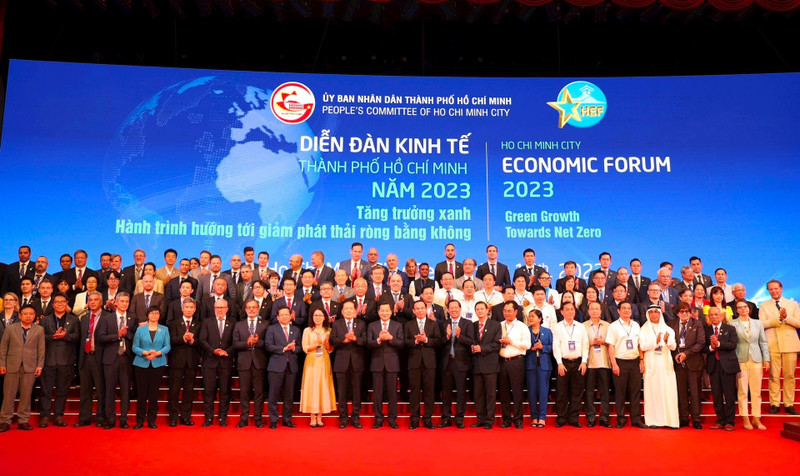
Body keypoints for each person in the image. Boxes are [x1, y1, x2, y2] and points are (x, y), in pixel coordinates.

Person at [0, 305, 44, 432]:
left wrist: (39, 365)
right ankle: (4, 421)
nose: (28, 316)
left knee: (26, 394)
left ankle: (23, 420)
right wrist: (2, 364)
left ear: (34, 315)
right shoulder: (10, 329)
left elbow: (41, 350)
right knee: (8, 395)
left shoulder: (39, 330)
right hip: (11, 366)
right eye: (25, 314)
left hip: (30, 366)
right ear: (20, 315)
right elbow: (3, 348)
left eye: (31, 314)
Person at [95, 292, 136, 429]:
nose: (125, 304)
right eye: (122, 301)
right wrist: (117, 335)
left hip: (126, 358)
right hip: (110, 359)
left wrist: (126, 334)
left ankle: (124, 418)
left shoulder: (132, 318)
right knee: (109, 390)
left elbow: (135, 336)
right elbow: (100, 337)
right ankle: (110, 418)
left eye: (127, 301)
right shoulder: (107, 318)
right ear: (116, 303)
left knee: (125, 390)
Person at [38, 292, 79, 428]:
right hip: (48, 360)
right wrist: (53, 336)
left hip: (66, 361)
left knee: (62, 390)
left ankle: (58, 416)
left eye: (63, 302)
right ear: (53, 304)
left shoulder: (73, 320)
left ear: (67, 304)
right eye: (57, 302)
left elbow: (77, 337)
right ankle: (44, 416)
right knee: (46, 390)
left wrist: (64, 336)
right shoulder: (45, 320)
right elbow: (40, 338)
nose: (60, 304)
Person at [759, 279, 800, 415]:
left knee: (789, 376)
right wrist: (778, 320)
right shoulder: (764, 306)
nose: (774, 291)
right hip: (772, 344)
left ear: (781, 288)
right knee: (773, 376)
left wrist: (787, 318)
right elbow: (762, 324)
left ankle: (789, 404)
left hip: (790, 343)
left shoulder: (793, 304)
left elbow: (798, 323)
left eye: (776, 288)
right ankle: (774, 403)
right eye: (771, 289)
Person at [605, 301, 646, 429]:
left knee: (635, 392)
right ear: (618, 311)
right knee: (620, 393)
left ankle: (636, 419)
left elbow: (640, 344)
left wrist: (641, 360)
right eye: (624, 308)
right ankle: (621, 419)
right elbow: (610, 346)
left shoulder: (636, 325)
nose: (627, 310)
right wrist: (614, 364)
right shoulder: (613, 326)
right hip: (620, 361)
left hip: (634, 361)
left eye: (629, 308)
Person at [731, 301, 770, 430]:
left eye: (745, 307)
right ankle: (745, 418)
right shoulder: (732, 323)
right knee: (742, 391)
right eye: (740, 308)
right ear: (736, 310)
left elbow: (763, 342)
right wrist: (734, 359)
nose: (743, 309)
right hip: (740, 359)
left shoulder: (757, 323)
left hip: (756, 359)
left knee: (756, 391)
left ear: (749, 308)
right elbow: (732, 344)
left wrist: (766, 359)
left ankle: (756, 418)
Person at [405, 299, 442, 429]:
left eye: (422, 308)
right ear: (414, 311)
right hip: (414, 362)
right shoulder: (408, 325)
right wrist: (415, 341)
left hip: (429, 362)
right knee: (414, 391)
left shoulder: (433, 324)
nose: (420, 311)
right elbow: (405, 342)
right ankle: (414, 419)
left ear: (426, 310)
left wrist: (426, 340)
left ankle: (428, 419)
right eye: (417, 309)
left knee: (429, 391)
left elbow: (439, 341)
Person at [668, 301, 706, 429]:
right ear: (677, 313)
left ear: (690, 313)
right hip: (678, 363)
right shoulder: (671, 324)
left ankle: (696, 419)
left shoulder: (697, 324)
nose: (684, 314)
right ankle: (684, 418)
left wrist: (686, 354)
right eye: (682, 311)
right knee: (681, 392)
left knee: (695, 393)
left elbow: (701, 343)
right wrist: (678, 355)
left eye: (687, 311)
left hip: (694, 362)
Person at [640, 305, 679, 428]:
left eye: (656, 312)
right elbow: (642, 346)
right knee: (652, 392)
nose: (654, 315)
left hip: (665, 364)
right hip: (651, 364)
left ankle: (669, 421)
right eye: (651, 312)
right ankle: (653, 421)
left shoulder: (668, 329)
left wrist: (667, 341)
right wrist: (655, 342)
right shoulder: (643, 329)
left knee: (668, 391)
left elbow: (673, 347)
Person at [132, 306, 170, 429]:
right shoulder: (140, 330)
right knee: (141, 394)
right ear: (148, 315)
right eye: (152, 313)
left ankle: (152, 420)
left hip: (157, 363)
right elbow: (134, 347)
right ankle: (140, 420)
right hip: (141, 363)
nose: (154, 315)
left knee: (154, 394)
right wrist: (145, 353)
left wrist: (156, 353)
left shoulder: (164, 330)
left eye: (156, 313)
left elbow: (167, 346)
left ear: (159, 315)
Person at [330, 299, 367, 428]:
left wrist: (355, 339)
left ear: (355, 310)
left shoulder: (361, 324)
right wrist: (343, 341)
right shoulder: (337, 324)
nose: (349, 311)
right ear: (342, 311)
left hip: (357, 362)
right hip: (341, 362)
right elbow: (332, 340)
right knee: (342, 392)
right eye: (346, 309)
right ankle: (343, 417)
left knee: (357, 392)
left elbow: (365, 341)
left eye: (351, 308)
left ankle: (356, 417)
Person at [199, 299, 235, 427]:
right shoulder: (207, 322)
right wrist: (213, 351)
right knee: (209, 391)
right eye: (217, 307)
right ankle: (208, 418)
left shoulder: (232, 323)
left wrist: (226, 352)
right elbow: (202, 340)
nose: (219, 310)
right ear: (214, 309)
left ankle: (222, 417)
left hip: (226, 361)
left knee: (225, 391)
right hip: (210, 361)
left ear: (227, 308)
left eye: (222, 307)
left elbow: (235, 342)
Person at [367, 302, 404, 429]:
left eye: (387, 310)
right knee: (377, 393)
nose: (384, 313)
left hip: (392, 364)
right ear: (378, 312)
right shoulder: (372, 326)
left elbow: (401, 343)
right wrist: (378, 340)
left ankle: (392, 418)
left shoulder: (397, 326)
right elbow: (368, 343)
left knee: (392, 393)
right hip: (377, 363)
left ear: (391, 311)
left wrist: (391, 338)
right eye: (382, 310)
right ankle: (378, 418)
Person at [552, 301, 588, 428]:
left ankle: (574, 419)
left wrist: (584, 361)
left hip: (578, 362)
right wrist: (559, 363)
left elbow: (585, 344)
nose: (570, 312)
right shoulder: (557, 327)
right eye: (567, 309)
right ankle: (561, 418)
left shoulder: (581, 326)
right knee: (561, 392)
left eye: (572, 309)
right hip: (564, 363)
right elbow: (555, 346)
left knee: (577, 392)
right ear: (561, 312)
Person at [233, 299, 269, 428]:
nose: (252, 310)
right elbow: (235, 344)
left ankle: (258, 418)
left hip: (259, 363)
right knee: (244, 392)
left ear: (258, 309)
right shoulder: (239, 325)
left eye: (254, 307)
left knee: (259, 392)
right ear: (245, 310)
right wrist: (247, 343)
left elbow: (268, 344)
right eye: (249, 307)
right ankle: (244, 418)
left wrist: (258, 342)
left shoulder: (265, 324)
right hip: (244, 363)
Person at [439, 299, 475, 429]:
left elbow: (471, 341)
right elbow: (439, 343)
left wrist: (459, 336)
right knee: (446, 393)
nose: (454, 310)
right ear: (448, 310)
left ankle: (459, 418)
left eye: (456, 307)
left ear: (460, 309)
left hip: (461, 363)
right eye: (451, 308)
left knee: (460, 392)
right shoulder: (443, 324)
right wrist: (448, 336)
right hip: (447, 362)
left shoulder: (467, 323)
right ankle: (446, 418)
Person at [167, 298, 202, 427]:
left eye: (191, 307)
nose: (188, 309)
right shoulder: (174, 323)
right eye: (186, 307)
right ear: (182, 308)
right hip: (176, 361)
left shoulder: (199, 324)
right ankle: (173, 418)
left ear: (194, 309)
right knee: (174, 390)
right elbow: (170, 340)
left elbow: (201, 342)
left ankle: (185, 417)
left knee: (188, 391)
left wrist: (193, 340)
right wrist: (183, 338)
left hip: (191, 362)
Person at [265, 307, 302, 429]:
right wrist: (282, 349)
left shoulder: (296, 330)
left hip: (291, 366)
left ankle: (287, 419)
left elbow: (300, 347)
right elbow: (268, 345)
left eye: (287, 314)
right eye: (282, 315)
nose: (285, 317)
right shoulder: (271, 329)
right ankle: (274, 420)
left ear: (291, 315)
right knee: (273, 395)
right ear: (278, 317)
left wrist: (294, 349)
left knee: (289, 395)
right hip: (276, 366)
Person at [75, 291, 106, 427]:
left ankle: (100, 417)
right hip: (85, 357)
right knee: (85, 390)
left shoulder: (108, 317)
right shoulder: (84, 318)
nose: (92, 302)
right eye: (90, 300)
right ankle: (84, 418)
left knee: (100, 390)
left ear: (101, 302)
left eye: (95, 300)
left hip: (100, 358)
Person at [498, 301, 531, 429]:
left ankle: (518, 419)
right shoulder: (499, 325)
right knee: (503, 392)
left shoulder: (522, 326)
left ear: (516, 311)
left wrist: (511, 342)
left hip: (516, 361)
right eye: (505, 311)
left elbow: (527, 345)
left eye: (509, 311)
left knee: (517, 392)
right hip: (502, 361)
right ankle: (506, 419)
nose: (506, 313)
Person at [704, 307, 738, 431]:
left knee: (729, 395)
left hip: (728, 366)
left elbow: (733, 345)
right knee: (717, 395)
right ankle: (720, 420)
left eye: (716, 314)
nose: (713, 316)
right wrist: (711, 347)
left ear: (722, 315)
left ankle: (730, 422)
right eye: (711, 315)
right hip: (713, 366)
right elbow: (703, 348)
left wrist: (718, 344)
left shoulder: (730, 329)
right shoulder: (706, 330)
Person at [301, 308, 336, 428]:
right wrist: (314, 345)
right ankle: (312, 416)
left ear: (325, 317)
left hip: (324, 361)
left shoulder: (329, 331)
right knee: (312, 386)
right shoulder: (307, 330)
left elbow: (330, 349)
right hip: (311, 361)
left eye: (320, 315)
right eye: (315, 315)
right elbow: (304, 347)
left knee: (322, 386)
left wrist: (326, 342)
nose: (318, 317)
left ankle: (320, 416)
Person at [583, 301, 611, 427]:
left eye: (597, 309)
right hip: (589, 362)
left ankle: (604, 417)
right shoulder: (582, 326)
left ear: (601, 311)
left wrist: (603, 342)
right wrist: (591, 343)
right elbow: (580, 344)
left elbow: (612, 344)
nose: (594, 311)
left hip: (604, 362)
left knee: (605, 391)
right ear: (588, 311)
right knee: (589, 391)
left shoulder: (608, 326)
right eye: (592, 309)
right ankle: (590, 417)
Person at [525, 309, 552, 428]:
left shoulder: (547, 331)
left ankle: (542, 417)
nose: (530, 318)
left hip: (544, 365)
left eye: (533, 316)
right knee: (531, 392)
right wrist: (531, 348)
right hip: (530, 364)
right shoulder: (526, 331)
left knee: (543, 392)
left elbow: (552, 347)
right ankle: (534, 417)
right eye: (529, 316)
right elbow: (522, 345)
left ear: (540, 319)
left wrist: (542, 347)